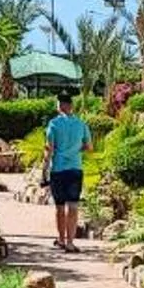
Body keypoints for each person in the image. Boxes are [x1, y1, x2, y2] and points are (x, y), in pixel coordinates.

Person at [41, 92, 92, 253]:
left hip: (58, 170)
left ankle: (61, 239)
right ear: (71, 106)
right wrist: (76, 150)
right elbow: (89, 147)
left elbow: (49, 149)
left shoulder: (54, 124)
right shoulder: (81, 124)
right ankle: (70, 242)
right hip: (75, 169)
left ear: (61, 106)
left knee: (60, 207)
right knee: (74, 206)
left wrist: (44, 171)